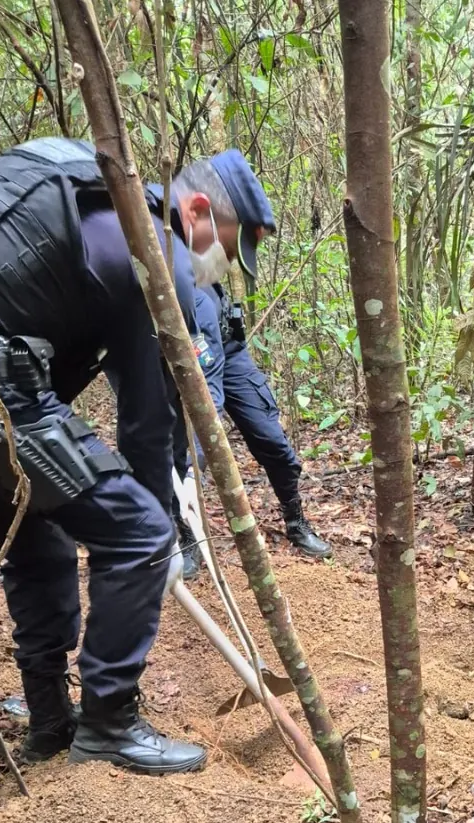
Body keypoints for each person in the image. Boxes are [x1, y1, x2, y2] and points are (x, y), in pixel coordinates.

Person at [0, 136, 206, 775]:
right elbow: (144, 419)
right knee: (135, 532)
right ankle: (109, 724)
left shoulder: (45, 182)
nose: (216, 260)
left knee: (35, 537)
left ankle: (52, 724)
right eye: (227, 239)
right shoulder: (151, 250)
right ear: (193, 211)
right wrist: (157, 536)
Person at [158, 151, 334, 568]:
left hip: (231, 354)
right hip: (193, 373)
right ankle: (185, 535)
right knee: (184, 456)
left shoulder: (200, 265)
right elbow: (205, 390)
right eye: (234, 247)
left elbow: (220, 365)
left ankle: (296, 521)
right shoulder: (168, 263)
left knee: (273, 441)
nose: (231, 260)